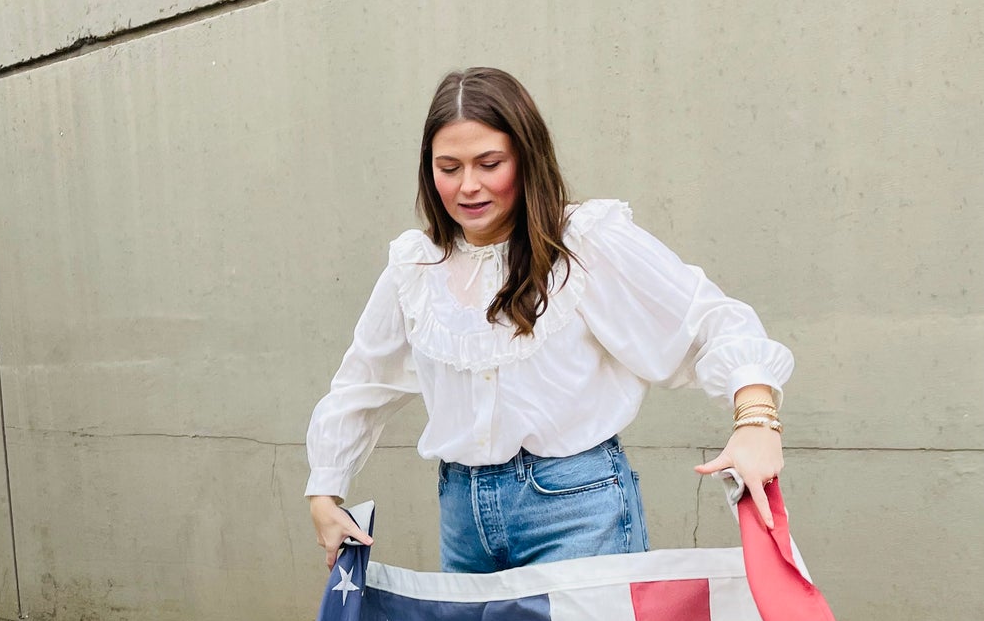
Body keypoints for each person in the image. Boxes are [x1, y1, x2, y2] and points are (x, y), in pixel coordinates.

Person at [305, 68, 792, 573]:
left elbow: (707, 318)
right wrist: (325, 488)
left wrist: (757, 420)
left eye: (489, 163)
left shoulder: (583, 243)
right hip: (462, 515)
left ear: (526, 158)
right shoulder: (416, 266)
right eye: (448, 168)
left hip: (576, 506)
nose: (468, 186)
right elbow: (363, 381)